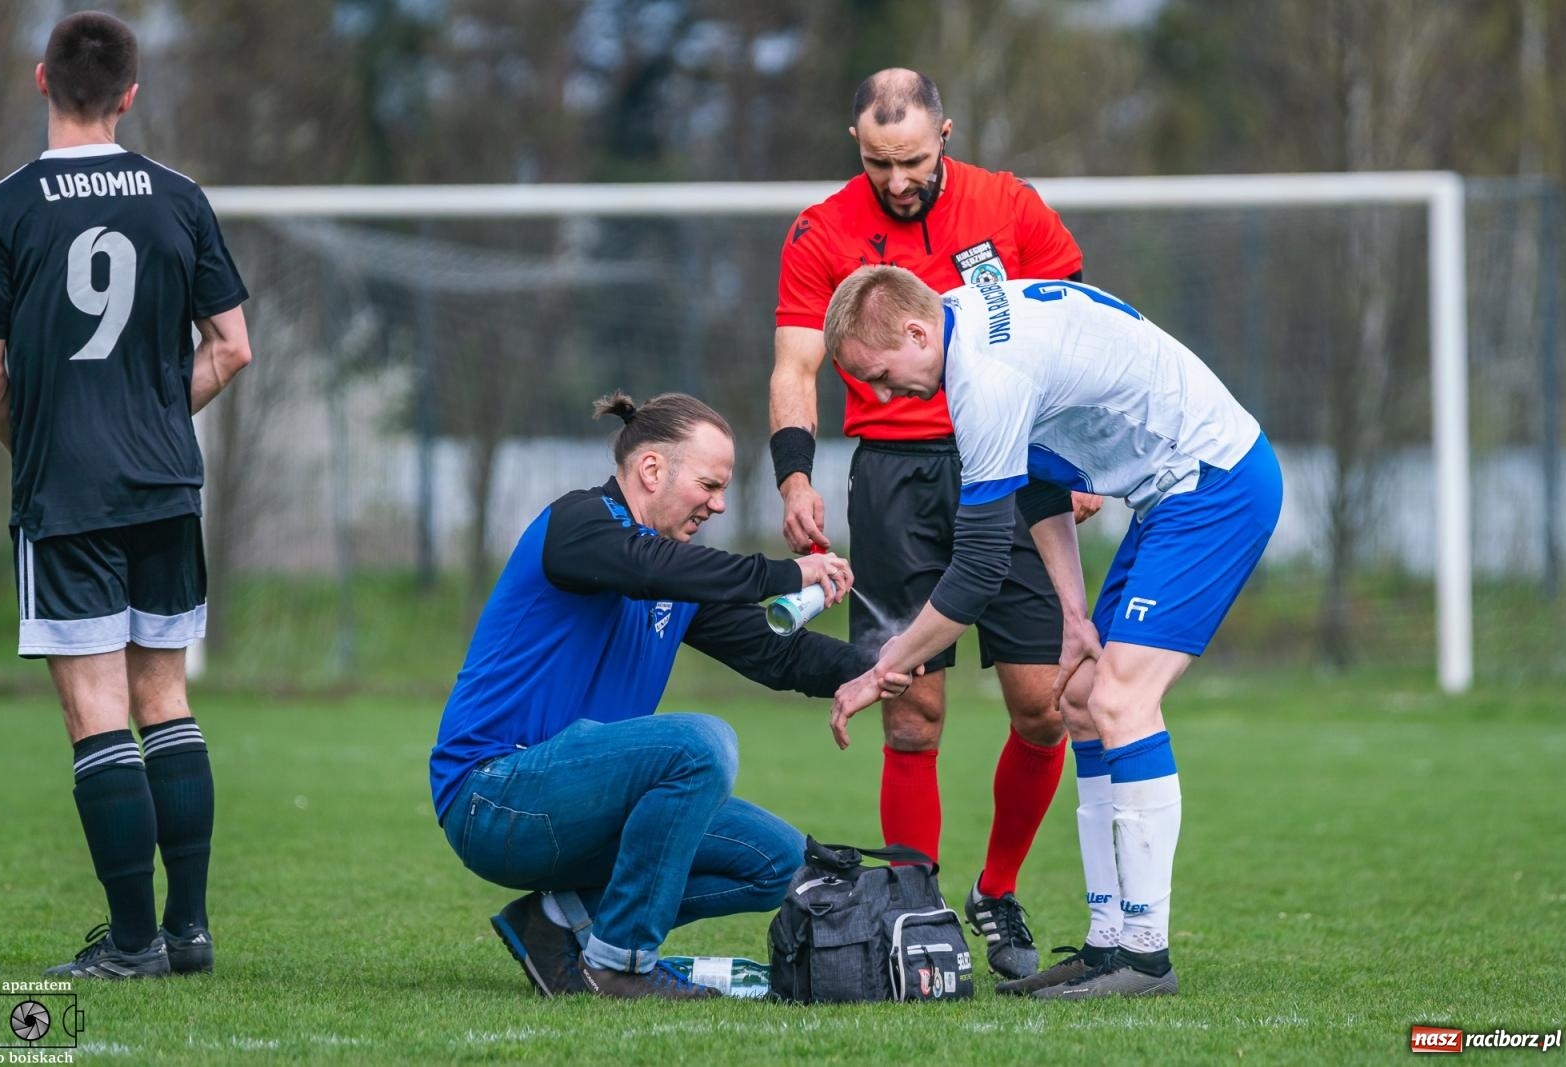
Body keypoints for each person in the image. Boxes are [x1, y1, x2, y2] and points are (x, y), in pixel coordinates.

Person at [823, 267, 1282, 998]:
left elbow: (972, 576)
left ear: (914, 332)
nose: (880, 395)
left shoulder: (985, 373)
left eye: (878, 374)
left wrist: (884, 667)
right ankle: (1107, 941)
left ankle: (1145, 952)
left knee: (1121, 700)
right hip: (1174, 494)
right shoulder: (965, 319)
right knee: (1080, 697)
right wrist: (1073, 613)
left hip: (1216, 482)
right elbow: (1041, 477)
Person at [769, 67, 1099, 980]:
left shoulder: (1012, 207)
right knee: (909, 712)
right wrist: (794, 474)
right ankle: (916, 912)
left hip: (1010, 471)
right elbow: (796, 365)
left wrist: (1076, 461)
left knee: (1047, 707)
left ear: (945, 133)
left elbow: (1070, 331)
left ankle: (997, 889)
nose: (898, 178)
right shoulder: (820, 229)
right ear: (856, 144)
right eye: (878, 162)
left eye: (912, 159)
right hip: (892, 481)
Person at [431, 391, 910, 1000]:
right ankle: (620, 963)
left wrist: (869, 667)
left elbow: (774, 650)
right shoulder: (578, 525)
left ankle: (556, 924)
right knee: (700, 744)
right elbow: (646, 567)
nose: (718, 503)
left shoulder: (672, 569)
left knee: (778, 862)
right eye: (709, 485)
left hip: (580, 807)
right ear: (652, 470)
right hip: (492, 799)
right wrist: (787, 573)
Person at [0, 12, 252, 979]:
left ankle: (133, 942)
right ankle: (190, 929)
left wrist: (44, 445)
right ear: (131, 94)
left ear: (39, 79)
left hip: (69, 490)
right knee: (165, 701)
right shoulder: (178, 197)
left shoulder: (1, 209)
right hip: (165, 483)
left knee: (97, 713)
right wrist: (157, 420)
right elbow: (234, 346)